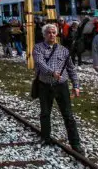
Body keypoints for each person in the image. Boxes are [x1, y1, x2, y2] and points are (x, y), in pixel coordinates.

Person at [34, 24, 82, 154]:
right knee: (45, 113)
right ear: (44, 34)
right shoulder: (38, 48)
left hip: (61, 85)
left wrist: (76, 86)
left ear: (57, 34)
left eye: (54, 32)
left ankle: (75, 143)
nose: (51, 35)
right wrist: (52, 72)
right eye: (49, 32)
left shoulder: (64, 50)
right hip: (45, 85)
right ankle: (46, 137)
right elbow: (40, 63)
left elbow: (71, 69)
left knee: (68, 115)